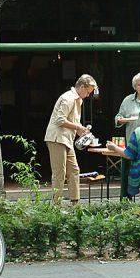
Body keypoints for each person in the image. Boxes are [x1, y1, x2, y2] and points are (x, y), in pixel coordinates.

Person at [44, 74, 98, 206]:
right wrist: (78, 127)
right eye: (88, 92)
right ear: (81, 87)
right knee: (59, 173)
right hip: (57, 139)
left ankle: (75, 204)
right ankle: (56, 206)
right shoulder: (68, 98)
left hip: (67, 139)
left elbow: (73, 123)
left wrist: (82, 131)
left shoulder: (78, 99)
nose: (88, 95)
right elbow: (60, 119)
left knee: (74, 170)